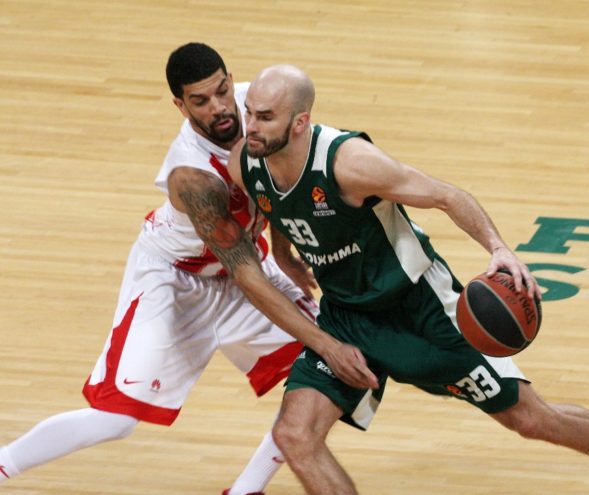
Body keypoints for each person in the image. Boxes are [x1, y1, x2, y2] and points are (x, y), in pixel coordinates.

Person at [226, 64, 589, 495]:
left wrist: (498, 248)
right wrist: (283, 253)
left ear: (301, 122)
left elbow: (447, 196)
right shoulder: (246, 162)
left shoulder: (351, 163)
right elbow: (277, 205)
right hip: (347, 318)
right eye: (250, 112)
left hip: (421, 309)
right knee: (295, 435)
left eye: (266, 117)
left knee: (530, 419)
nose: (252, 126)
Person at [0, 43, 377, 495]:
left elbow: (283, 180)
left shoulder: (258, 106)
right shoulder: (192, 176)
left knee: (325, 376)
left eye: (221, 91)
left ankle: (245, 490)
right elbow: (247, 276)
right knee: (115, 420)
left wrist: (283, 253)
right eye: (200, 101)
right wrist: (325, 342)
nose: (219, 107)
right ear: (180, 106)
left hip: (240, 264)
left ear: (230, 79)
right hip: (177, 278)